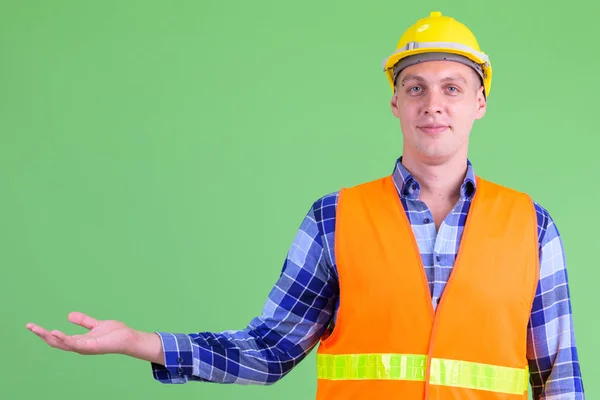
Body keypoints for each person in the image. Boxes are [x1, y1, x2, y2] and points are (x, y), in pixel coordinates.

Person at [26, 11, 584, 399]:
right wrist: (141, 344)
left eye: (452, 87)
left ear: (480, 102)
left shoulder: (531, 227)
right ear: (394, 102)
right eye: (416, 87)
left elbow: (558, 379)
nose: (433, 104)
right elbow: (268, 351)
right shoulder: (334, 218)